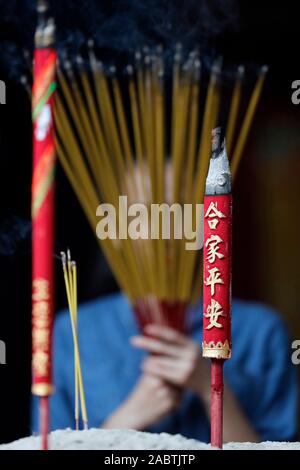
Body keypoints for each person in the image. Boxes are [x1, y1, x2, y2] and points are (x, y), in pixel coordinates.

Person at [32, 292, 297, 442]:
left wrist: (211, 387)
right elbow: (50, 444)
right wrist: (125, 421)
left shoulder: (262, 329)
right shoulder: (73, 329)